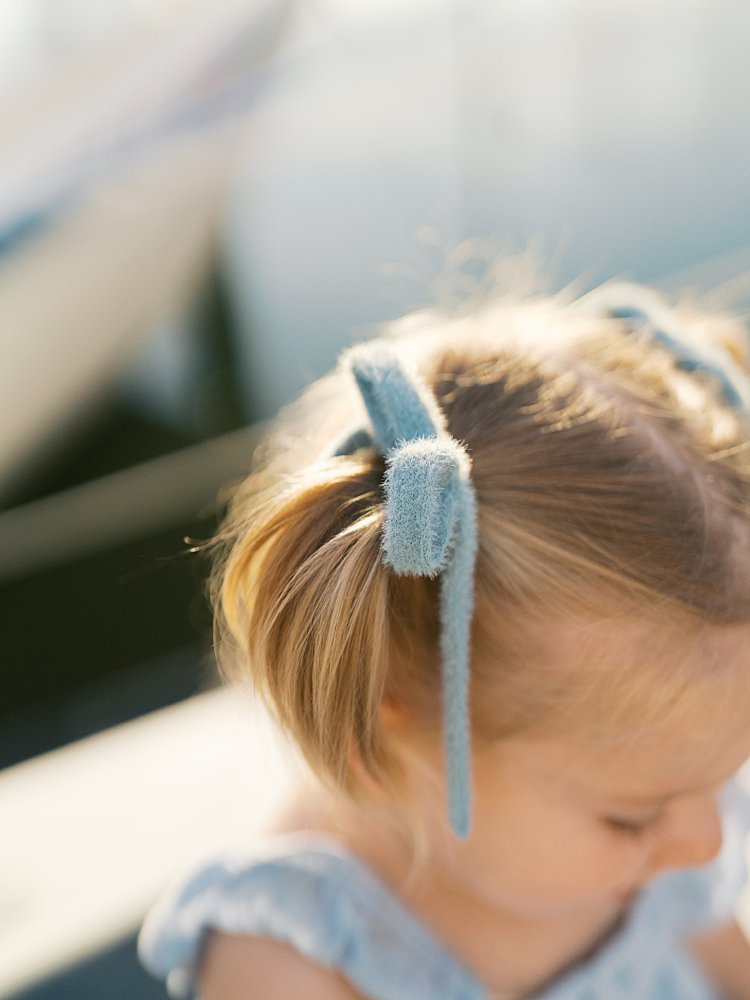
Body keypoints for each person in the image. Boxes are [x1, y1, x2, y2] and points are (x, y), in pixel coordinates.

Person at [139, 274, 750, 999]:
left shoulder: (658, 827)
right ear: (391, 717)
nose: (707, 843)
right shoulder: (294, 965)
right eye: (630, 819)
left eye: (722, 781)